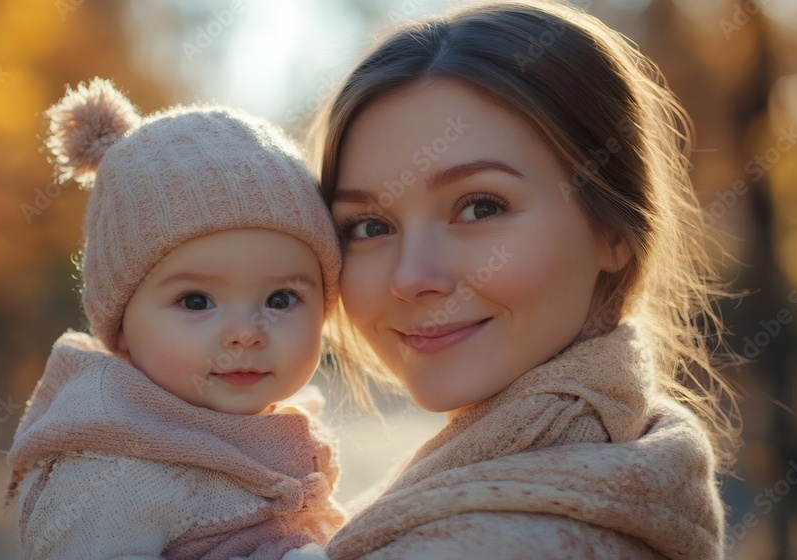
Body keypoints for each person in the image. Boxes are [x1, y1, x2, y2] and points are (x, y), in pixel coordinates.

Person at [315, 1, 738, 558]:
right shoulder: (637, 454)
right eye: (369, 226)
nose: (413, 277)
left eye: (481, 208)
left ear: (614, 229)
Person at [6, 78, 344, 560]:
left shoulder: (280, 429)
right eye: (196, 302)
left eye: (281, 298)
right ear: (121, 324)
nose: (246, 333)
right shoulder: (114, 466)